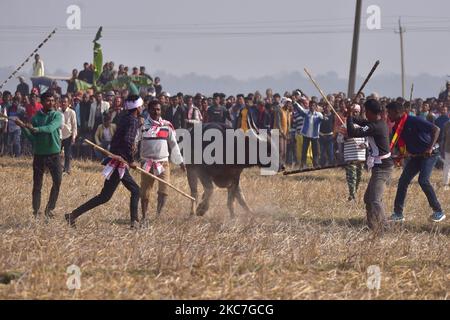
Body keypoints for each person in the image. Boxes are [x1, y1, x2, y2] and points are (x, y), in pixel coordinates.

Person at [65, 95, 143, 229]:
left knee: (108, 195)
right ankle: (134, 223)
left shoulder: (125, 119)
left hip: (118, 161)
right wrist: (130, 160)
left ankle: (73, 215)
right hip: (120, 162)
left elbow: (118, 140)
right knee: (129, 191)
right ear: (137, 107)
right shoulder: (133, 121)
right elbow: (128, 141)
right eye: (141, 106)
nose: (142, 108)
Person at [386, 101, 445, 223]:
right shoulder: (397, 126)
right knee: (403, 181)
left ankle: (438, 211)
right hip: (416, 156)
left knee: (423, 180)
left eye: (389, 113)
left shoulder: (414, 120)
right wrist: (399, 154)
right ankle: (398, 214)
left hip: (429, 154)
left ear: (397, 112)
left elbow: (436, 129)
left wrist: (429, 147)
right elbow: (397, 144)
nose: (388, 116)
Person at [346, 99, 394, 232]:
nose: (365, 114)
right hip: (379, 166)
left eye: (366, 111)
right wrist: (349, 114)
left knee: (374, 199)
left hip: (383, 168)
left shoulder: (376, 126)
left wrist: (349, 116)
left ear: (370, 112)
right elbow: (361, 122)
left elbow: (352, 133)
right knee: (368, 198)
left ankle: (385, 228)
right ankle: (372, 225)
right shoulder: (376, 123)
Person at [15, 91, 63, 218]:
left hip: (54, 154)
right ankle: (36, 211)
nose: (51, 103)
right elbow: (32, 139)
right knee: (37, 185)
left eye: (53, 100)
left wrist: (37, 129)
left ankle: (49, 209)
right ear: (41, 103)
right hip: (39, 155)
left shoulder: (57, 115)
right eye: (48, 101)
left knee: (57, 182)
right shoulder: (36, 118)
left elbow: (51, 128)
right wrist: (23, 127)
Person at [138, 100, 185, 220]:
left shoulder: (167, 125)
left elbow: (174, 144)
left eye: (158, 109)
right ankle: (144, 217)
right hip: (147, 163)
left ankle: (158, 215)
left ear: (161, 111)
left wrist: (180, 161)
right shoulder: (142, 126)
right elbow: (134, 141)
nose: (156, 111)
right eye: (153, 109)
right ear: (148, 110)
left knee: (164, 190)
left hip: (163, 163)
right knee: (145, 192)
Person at [60, 95, 77, 174]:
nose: (63, 103)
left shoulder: (72, 112)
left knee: (67, 154)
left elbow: (74, 126)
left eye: (65, 102)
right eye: (62, 102)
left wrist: (73, 136)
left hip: (68, 136)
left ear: (68, 103)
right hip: (59, 136)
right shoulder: (57, 112)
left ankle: (67, 170)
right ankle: (58, 168)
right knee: (57, 154)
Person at [443, 120, 450, 190]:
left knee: (447, 166)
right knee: (447, 166)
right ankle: (445, 183)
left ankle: (445, 182)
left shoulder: (446, 124)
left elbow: (444, 137)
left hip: (447, 148)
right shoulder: (446, 124)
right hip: (448, 148)